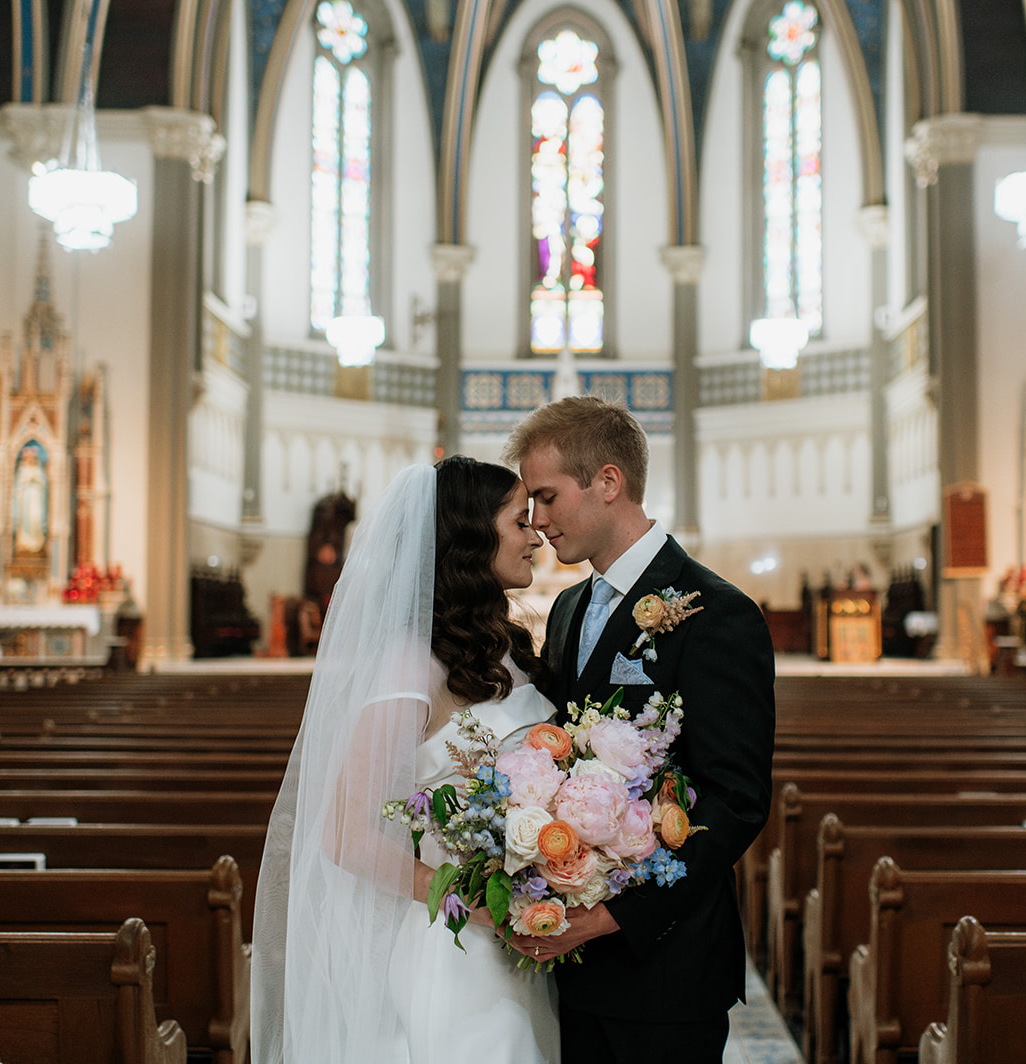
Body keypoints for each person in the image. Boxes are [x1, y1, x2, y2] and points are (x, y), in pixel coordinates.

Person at [252, 456, 560, 1064]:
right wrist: (462, 901)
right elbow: (343, 831)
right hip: (458, 950)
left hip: (524, 940)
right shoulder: (409, 666)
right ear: (472, 536)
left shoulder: (505, 650)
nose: (534, 535)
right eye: (518, 521)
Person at [505, 395, 776, 1064]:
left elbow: (733, 800)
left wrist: (611, 917)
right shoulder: (569, 607)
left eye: (546, 497)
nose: (536, 522)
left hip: (663, 968)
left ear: (607, 482)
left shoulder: (717, 613)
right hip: (569, 970)